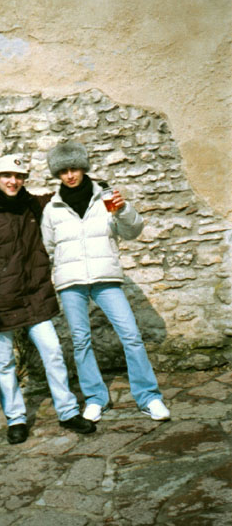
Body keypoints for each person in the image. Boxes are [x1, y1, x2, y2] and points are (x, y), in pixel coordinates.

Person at [0, 155, 96, 444]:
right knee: (4, 363)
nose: (13, 181)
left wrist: (94, 186)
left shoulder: (33, 206)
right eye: (7, 176)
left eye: (19, 176)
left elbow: (65, 196)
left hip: (34, 298)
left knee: (53, 353)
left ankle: (68, 412)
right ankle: (16, 419)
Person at [41, 141, 170, 422]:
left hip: (105, 277)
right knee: (81, 342)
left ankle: (149, 397)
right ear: (57, 174)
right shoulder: (52, 208)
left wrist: (123, 211)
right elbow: (48, 248)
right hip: (71, 282)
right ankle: (95, 398)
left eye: (74, 168)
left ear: (83, 168)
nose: (70, 175)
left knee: (131, 335)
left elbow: (132, 231)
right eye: (63, 171)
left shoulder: (106, 197)